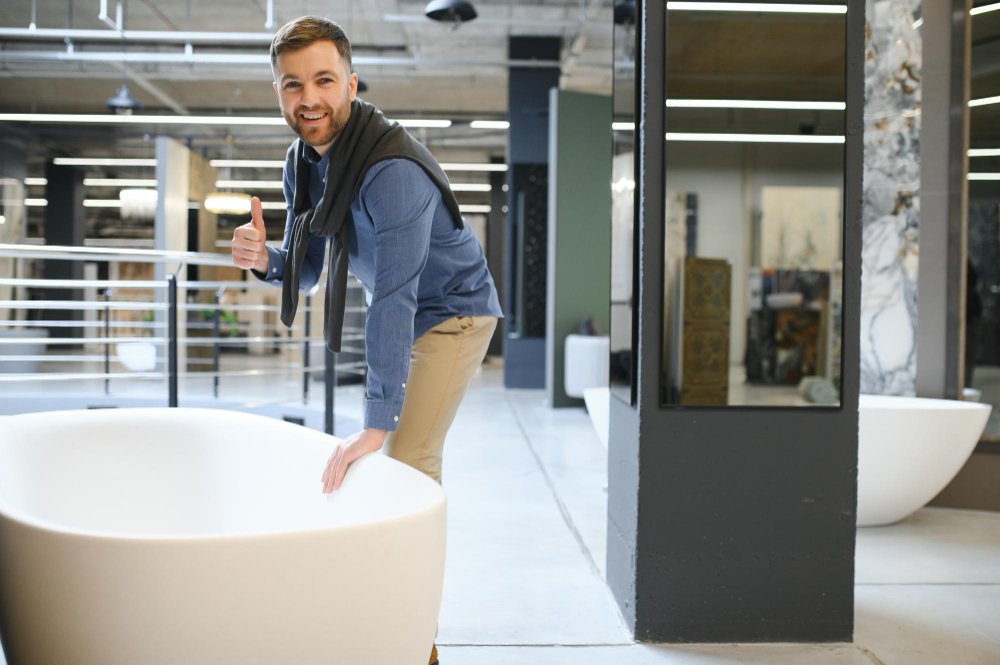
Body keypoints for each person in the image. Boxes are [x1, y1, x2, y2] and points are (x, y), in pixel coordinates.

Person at [230, 17, 502, 663]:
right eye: (293, 84)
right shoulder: (303, 164)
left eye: (324, 80)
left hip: (453, 311)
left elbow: (396, 298)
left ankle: (414, 645)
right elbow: (309, 267)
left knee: (406, 468)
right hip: (407, 305)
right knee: (389, 475)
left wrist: (377, 423)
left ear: (352, 84)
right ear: (278, 92)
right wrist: (265, 259)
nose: (309, 99)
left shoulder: (391, 169)